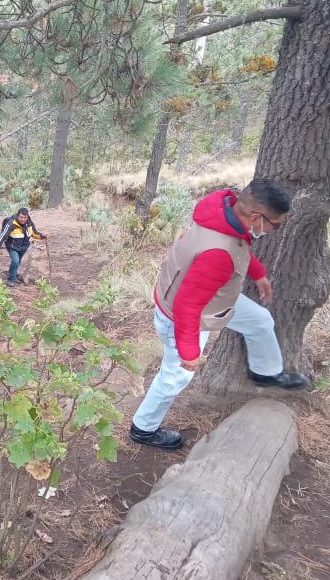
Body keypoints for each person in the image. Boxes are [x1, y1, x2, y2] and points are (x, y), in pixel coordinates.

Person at [129, 179, 312, 451]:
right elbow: (187, 307)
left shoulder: (220, 212)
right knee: (175, 376)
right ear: (256, 217)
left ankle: (266, 373)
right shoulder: (218, 253)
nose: (275, 230)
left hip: (212, 298)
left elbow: (239, 247)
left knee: (260, 321)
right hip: (186, 315)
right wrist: (190, 352)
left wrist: (258, 273)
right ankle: (143, 429)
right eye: (276, 224)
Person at [0, 207, 46, 286]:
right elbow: (3, 235)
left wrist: (42, 236)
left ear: (27, 216)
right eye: (21, 217)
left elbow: (34, 233)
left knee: (18, 262)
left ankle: (14, 276)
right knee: (15, 261)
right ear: (18, 216)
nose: (23, 219)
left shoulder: (29, 223)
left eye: (25, 217)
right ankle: (11, 279)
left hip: (23, 247)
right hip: (12, 246)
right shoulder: (11, 224)